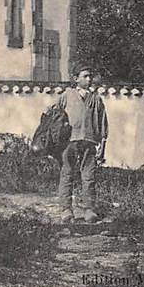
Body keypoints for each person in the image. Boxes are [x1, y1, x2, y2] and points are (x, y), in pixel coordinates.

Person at [54, 64, 108, 224]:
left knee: (89, 176)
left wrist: (102, 145)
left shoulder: (96, 99)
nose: (89, 79)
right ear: (75, 78)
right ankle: (66, 209)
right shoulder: (66, 95)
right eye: (85, 76)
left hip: (89, 141)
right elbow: (55, 115)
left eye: (90, 76)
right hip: (69, 141)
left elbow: (103, 123)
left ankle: (89, 209)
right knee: (67, 174)